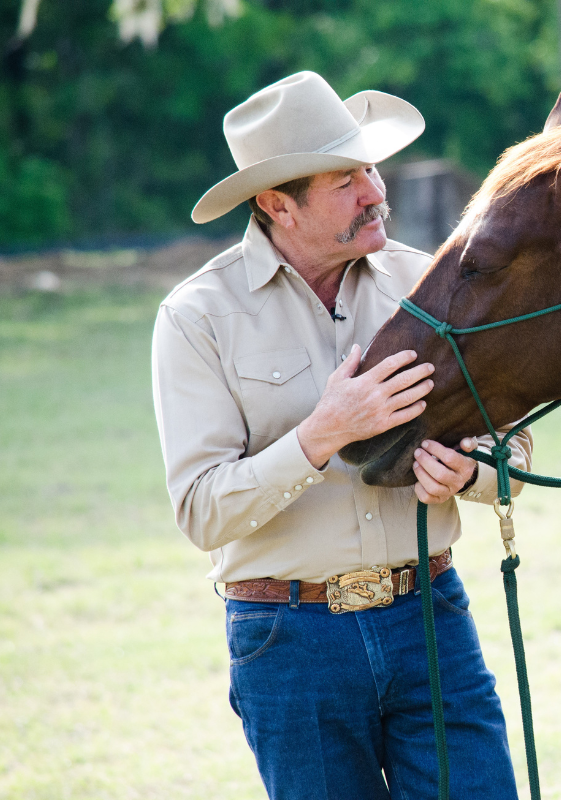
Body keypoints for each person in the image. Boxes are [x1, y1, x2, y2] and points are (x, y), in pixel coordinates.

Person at [151, 71, 529, 800]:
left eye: (371, 170)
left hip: (431, 620)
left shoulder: (428, 283)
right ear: (275, 204)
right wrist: (321, 436)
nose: (375, 192)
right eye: (346, 180)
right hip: (288, 644)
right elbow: (200, 511)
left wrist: (469, 474)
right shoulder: (197, 317)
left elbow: (515, 451)